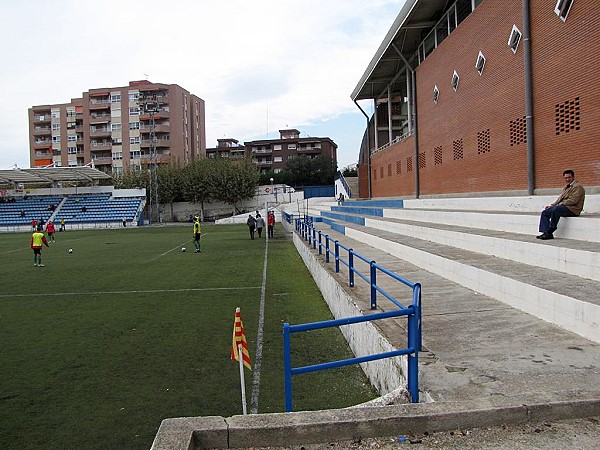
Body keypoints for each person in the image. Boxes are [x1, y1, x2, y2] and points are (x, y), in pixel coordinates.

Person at [537, 169, 585, 240]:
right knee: (545, 212)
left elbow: (573, 200)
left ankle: (550, 230)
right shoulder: (567, 187)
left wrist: (558, 205)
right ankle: (546, 233)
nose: (567, 179)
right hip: (564, 207)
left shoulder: (578, 187)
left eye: (569, 177)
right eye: (566, 178)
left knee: (557, 209)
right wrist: (553, 205)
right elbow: (560, 198)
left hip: (573, 209)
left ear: (573, 177)